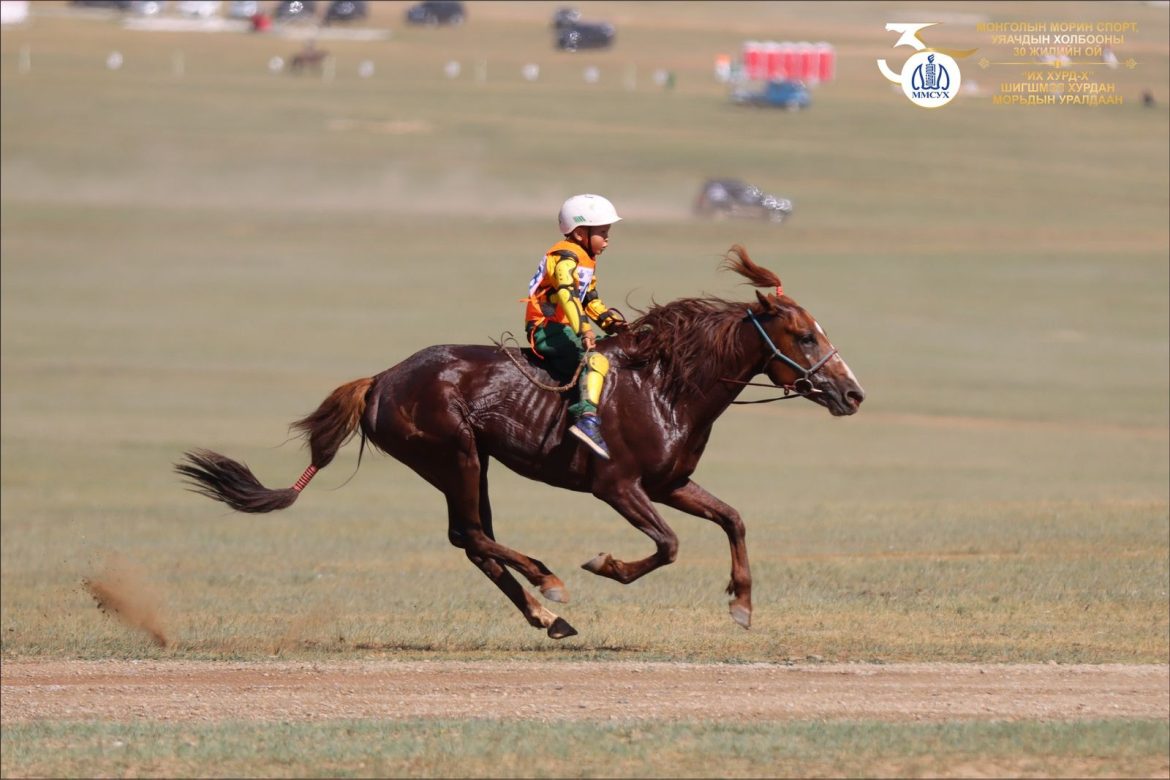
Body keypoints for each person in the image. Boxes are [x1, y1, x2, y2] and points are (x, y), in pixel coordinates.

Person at [524, 194, 629, 459]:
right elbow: (566, 295)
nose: (607, 239)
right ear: (581, 232)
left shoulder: (586, 259)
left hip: (566, 325)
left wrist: (612, 323)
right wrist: (584, 329)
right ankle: (586, 419)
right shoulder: (565, 257)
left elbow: (589, 299)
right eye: (603, 232)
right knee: (596, 362)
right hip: (547, 327)